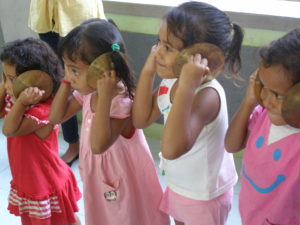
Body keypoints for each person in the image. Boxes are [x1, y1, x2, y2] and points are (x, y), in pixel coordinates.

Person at [49, 18, 170, 225]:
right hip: (100, 175)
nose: (69, 75)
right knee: (106, 215)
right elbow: (55, 117)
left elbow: (98, 145)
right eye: (66, 67)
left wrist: (104, 98)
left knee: (125, 217)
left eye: (75, 70)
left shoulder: (120, 100)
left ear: (102, 71)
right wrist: (68, 79)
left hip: (120, 177)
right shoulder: (89, 91)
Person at [132, 2, 244, 225]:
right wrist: (147, 71)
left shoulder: (207, 96)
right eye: (159, 43)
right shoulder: (171, 81)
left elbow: (172, 149)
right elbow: (141, 119)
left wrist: (186, 87)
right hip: (179, 184)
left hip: (205, 195)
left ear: (201, 58)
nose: (157, 53)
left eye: (168, 48)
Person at [0, 38, 81, 225]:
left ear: (37, 81)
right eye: (4, 76)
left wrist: (20, 103)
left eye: (12, 79)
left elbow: (9, 130)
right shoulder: (18, 101)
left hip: (44, 182)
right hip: (27, 180)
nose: (7, 85)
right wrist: (6, 86)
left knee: (65, 220)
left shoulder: (43, 110)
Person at [225, 28, 300, 225]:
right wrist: (249, 102)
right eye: (263, 86)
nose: (266, 99)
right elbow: (231, 145)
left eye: (279, 95)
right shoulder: (263, 114)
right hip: (251, 213)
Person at [28, 0, 106, 166]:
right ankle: (73, 144)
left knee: (91, 75)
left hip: (78, 11)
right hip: (47, 11)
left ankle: (99, 144)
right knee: (60, 79)